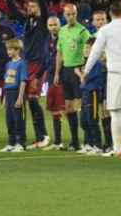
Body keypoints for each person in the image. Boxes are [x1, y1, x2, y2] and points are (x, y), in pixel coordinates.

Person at [81, 2, 121, 157]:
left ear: (110, 14)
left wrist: (86, 70)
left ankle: (117, 148)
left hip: (116, 72)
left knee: (114, 110)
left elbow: (95, 51)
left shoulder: (106, 30)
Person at [3, 0, 52, 149]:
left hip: (39, 65)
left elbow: (45, 8)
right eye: (28, 6)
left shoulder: (44, 20)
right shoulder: (27, 21)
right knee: (23, 100)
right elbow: (14, 10)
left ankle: (44, 135)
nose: (30, 9)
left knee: (32, 99)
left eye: (33, 6)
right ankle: (24, 137)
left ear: (38, 8)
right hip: (26, 63)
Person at [55, 2, 91, 152]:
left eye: (73, 14)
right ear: (64, 15)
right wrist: (57, 72)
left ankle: (89, 141)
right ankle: (75, 141)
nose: (70, 17)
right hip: (66, 71)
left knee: (81, 107)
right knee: (69, 108)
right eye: (68, 14)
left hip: (78, 70)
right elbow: (60, 53)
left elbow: (90, 51)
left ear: (76, 14)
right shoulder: (62, 31)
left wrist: (85, 71)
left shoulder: (83, 31)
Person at [79, 38, 107, 155]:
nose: (85, 50)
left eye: (87, 47)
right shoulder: (88, 63)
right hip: (86, 93)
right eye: (85, 47)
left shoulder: (96, 63)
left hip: (93, 93)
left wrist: (79, 73)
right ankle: (89, 144)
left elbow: (86, 78)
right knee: (84, 120)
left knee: (92, 119)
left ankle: (98, 145)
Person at [2, 39, 29, 153]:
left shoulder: (21, 63)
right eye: (7, 49)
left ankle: (20, 143)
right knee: (9, 119)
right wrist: (4, 97)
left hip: (17, 92)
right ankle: (11, 142)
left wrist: (20, 97)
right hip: (8, 93)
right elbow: (6, 81)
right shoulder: (8, 64)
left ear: (17, 50)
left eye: (10, 49)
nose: (8, 51)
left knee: (19, 119)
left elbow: (23, 81)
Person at [44, 16, 66, 150]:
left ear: (59, 25)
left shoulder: (64, 37)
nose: (53, 27)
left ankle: (78, 140)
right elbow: (45, 59)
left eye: (55, 25)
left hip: (63, 76)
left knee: (67, 109)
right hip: (51, 77)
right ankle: (58, 141)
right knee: (54, 109)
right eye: (50, 25)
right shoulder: (47, 40)